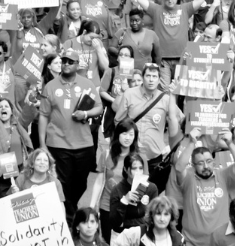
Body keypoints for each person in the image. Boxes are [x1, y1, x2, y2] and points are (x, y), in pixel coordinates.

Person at [39, 48, 103, 221]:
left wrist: (86, 114)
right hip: (57, 143)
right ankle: (69, 218)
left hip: (84, 143)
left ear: (77, 65)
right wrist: (43, 144)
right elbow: (43, 115)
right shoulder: (50, 86)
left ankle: (71, 208)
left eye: (70, 61)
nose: (66, 64)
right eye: (63, 61)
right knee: (63, 183)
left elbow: (99, 107)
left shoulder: (87, 84)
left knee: (81, 183)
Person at [112, 63, 180, 193]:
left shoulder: (165, 99)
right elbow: (119, 122)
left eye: (154, 76)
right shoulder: (129, 94)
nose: (151, 79)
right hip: (133, 155)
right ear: (143, 77)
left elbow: (179, 120)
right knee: (129, 194)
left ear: (159, 79)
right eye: (148, 75)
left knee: (149, 196)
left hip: (154, 157)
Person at [108, 153, 160, 235]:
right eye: (134, 169)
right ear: (126, 169)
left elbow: (154, 217)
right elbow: (114, 223)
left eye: (140, 168)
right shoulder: (117, 190)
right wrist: (124, 201)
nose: (138, 172)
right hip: (122, 236)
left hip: (143, 235)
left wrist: (125, 223)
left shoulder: (151, 188)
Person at [110, 196, 184, 246]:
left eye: (166, 214)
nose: (162, 219)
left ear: (171, 217)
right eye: (158, 214)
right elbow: (119, 241)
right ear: (152, 215)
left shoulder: (178, 238)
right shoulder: (139, 232)